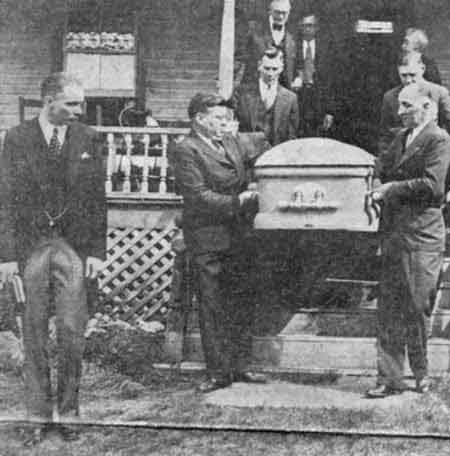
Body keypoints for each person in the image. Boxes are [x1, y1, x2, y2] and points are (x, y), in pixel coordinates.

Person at [0, 73, 106, 443]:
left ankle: (70, 414)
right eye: (72, 104)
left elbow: (97, 200)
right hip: (31, 248)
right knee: (33, 332)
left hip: (72, 247)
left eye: (81, 104)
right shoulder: (17, 139)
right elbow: (5, 198)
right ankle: (38, 416)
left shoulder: (89, 138)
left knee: (72, 331)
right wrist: (7, 256)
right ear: (49, 101)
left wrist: (96, 252)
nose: (80, 110)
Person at [173, 93, 270, 393]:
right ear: (199, 119)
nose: (225, 124)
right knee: (212, 304)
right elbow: (197, 196)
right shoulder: (185, 149)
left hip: (239, 235)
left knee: (241, 300)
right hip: (208, 237)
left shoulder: (229, 141)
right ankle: (218, 372)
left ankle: (241, 366)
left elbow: (258, 150)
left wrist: (254, 182)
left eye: (227, 119)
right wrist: (237, 201)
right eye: (218, 118)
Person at [366, 83, 450, 398]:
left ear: (426, 107)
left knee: (417, 307)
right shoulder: (401, 138)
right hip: (394, 235)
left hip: (422, 236)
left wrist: (389, 190)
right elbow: (379, 165)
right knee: (389, 307)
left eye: (406, 106)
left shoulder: (439, 140)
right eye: (399, 105)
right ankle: (389, 378)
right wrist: (376, 181)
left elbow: (433, 187)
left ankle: (421, 374)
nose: (399, 112)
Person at [378, 52, 450, 156]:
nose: (408, 80)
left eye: (412, 75)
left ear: (422, 69)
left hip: (431, 155)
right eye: (403, 75)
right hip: (400, 159)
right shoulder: (390, 97)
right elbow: (385, 136)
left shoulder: (439, 93)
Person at [233, 47, 299, 145]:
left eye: (275, 69)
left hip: (277, 153)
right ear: (259, 66)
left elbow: (291, 135)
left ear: (281, 68)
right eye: (267, 68)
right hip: (249, 152)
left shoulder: (290, 98)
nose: (270, 73)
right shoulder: (242, 93)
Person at [234, 0, 299, 90]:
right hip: (255, 88)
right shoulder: (253, 29)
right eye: (277, 12)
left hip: (283, 91)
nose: (281, 16)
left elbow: (296, 63)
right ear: (270, 11)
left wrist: (298, 78)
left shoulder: (293, 35)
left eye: (284, 13)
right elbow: (239, 59)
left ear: (289, 13)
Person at [291, 14, 334, 137]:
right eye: (304, 26)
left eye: (311, 26)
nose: (308, 29)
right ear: (300, 27)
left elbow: (330, 82)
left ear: (317, 28)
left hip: (319, 101)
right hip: (298, 98)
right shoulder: (293, 46)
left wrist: (329, 111)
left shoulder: (326, 48)